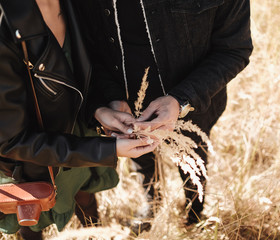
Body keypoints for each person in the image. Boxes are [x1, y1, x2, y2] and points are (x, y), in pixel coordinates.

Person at [72, 0, 253, 227]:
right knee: (142, 157)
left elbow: (234, 49)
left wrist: (181, 100)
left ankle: (194, 211)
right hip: (126, 106)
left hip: (194, 104)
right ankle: (152, 203)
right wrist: (112, 97)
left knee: (193, 153)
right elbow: (87, 47)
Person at [0, 0, 159, 239]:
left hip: (78, 139)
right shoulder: (5, 26)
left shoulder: (76, 4)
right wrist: (109, 149)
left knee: (84, 193)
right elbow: (13, 142)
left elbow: (80, 68)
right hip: (33, 162)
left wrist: (100, 109)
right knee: (32, 223)